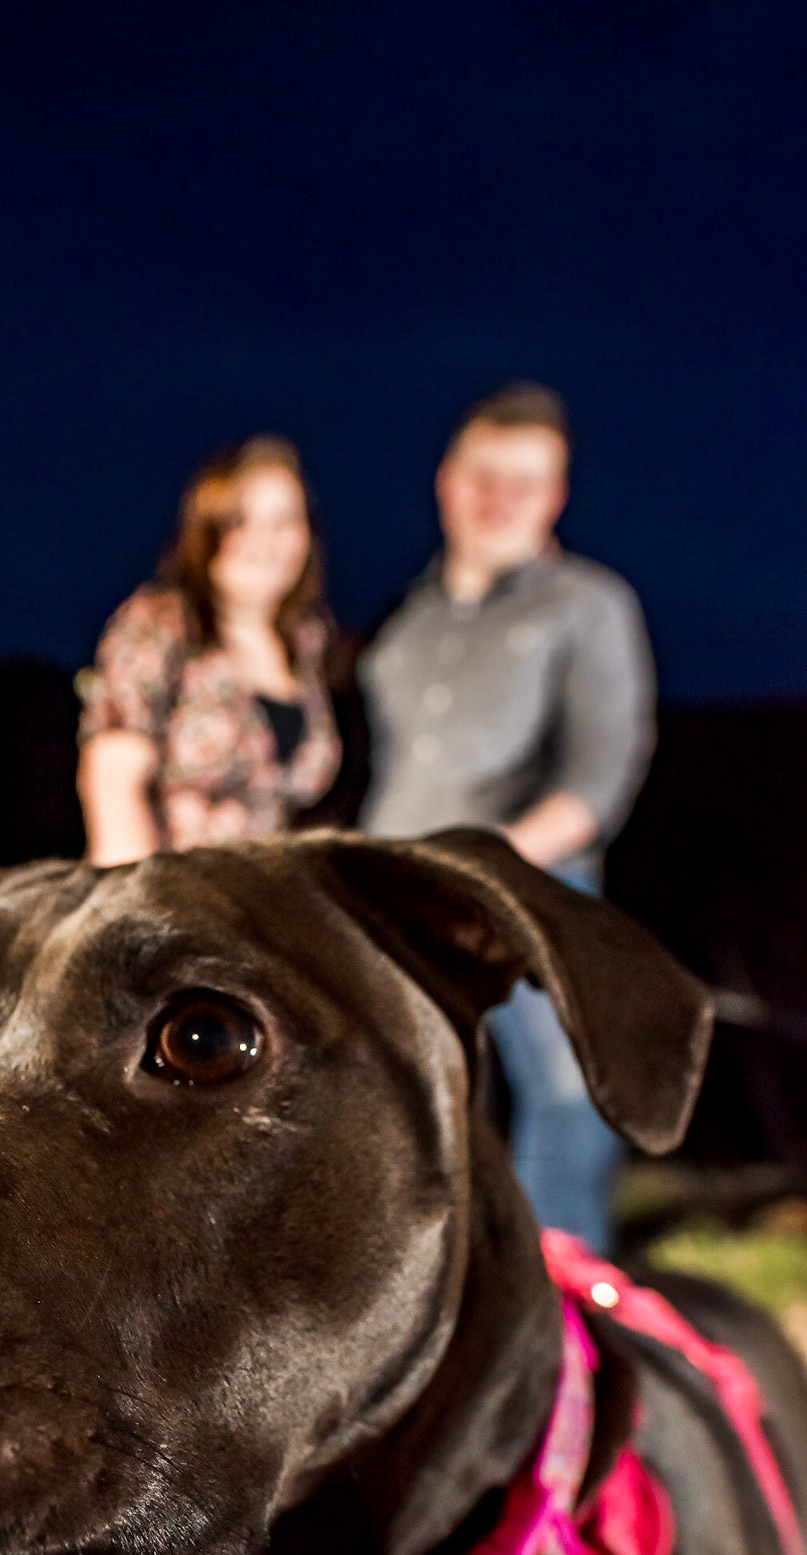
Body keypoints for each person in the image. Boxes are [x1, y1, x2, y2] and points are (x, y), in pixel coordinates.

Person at [358, 383, 656, 1250]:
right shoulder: (404, 625)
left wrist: (490, 863)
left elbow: (600, 776)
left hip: (526, 883)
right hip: (388, 886)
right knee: (404, 1094)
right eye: (486, 477)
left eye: (527, 483)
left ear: (555, 496)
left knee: (567, 1093)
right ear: (449, 481)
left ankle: (555, 1287)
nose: (502, 501)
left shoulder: (586, 605)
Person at [77, 437, 340, 865]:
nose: (266, 540)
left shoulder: (307, 644)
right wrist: (135, 918)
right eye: (241, 521)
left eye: (285, 520)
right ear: (208, 531)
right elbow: (112, 781)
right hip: (170, 898)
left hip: (261, 901)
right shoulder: (161, 622)